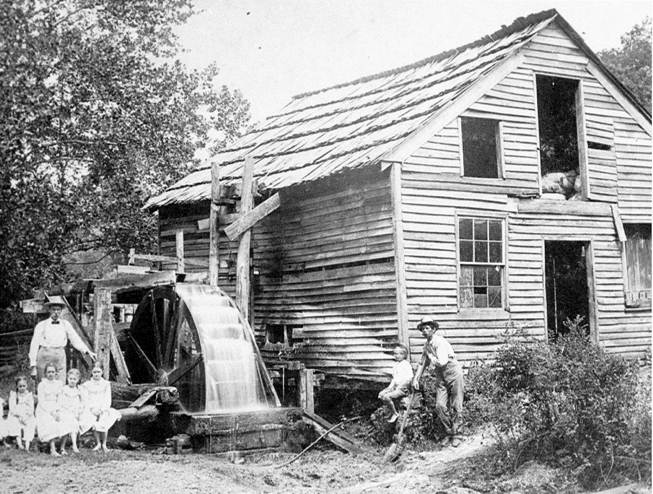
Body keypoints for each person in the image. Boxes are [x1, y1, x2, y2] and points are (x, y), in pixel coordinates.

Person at [412, 316, 465, 447]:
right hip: (441, 376)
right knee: (440, 405)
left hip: (452, 372)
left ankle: (457, 434)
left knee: (456, 404)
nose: (424, 331)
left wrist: (430, 356)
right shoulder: (427, 345)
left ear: (434, 329)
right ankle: (448, 433)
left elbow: (442, 362)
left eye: (427, 328)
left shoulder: (440, 342)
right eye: (422, 329)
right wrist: (416, 378)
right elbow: (422, 363)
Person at [29, 299, 97, 383]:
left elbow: (75, 339)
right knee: (43, 384)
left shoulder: (66, 324)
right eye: (54, 309)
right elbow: (34, 345)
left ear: (61, 311)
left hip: (59, 357)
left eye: (58, 310)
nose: (56, 312)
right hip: (44, 356)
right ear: (49, 310)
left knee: (60, 384)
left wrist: (87, 351)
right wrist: (33, 365)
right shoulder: (41, 325)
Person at [81, 363, 121, 452]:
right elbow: (85, 399)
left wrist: (102, 409)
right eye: (94, 372)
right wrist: (92, 409)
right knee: (93, 420)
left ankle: (104, 444)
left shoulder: (106, 384)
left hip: (103, 407)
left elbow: (107, 399)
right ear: (91, 372)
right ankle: (98, 443)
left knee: (105, 419)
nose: (96, 374)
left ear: (102, 372)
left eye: (98, 372)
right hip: (91, 408)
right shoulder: (87, 385)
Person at [378, 344, 413, 423]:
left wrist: (400, 386)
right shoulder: (396, 365)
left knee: (387, 397)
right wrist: (389, 387)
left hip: (403, 388)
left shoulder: (406, 364)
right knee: (381, 394)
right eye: (396, 354)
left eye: (400, 354)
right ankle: (391, 409)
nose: (397, 356)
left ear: (404, 355)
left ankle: (395, 413)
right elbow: (394, 379)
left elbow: (409, 378)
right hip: (396, 387)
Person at [36, 362, 64, 456]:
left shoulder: (59, 384)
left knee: (65, 417)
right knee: (49, 420)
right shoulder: (42, 385)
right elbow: (42, 401)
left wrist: (57, 410)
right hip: (44, 409)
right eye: (49, 372)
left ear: (56, 373)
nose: (51, 374)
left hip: (56, 407)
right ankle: (53, 449)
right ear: (45, 373)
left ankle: (63, 448)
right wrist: (52, 412)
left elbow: (60, 399)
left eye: (52, 372)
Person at [57, 368, 87, 454]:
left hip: (74, 412)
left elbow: (81, 403)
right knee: (67, 423)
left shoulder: (78, 391)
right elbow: (60, 402)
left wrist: (78, 411)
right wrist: (61, 411)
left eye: (74, 379)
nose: (72, 381)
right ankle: (62, 447)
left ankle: (74, 445)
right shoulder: (64, 389)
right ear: (67, 379)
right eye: (70, 379)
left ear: (78, 380)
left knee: (74, 423)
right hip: (64, 411)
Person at [6, 375, 36, 450]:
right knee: (14, 422)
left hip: (26, 414)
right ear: (17, 386)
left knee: (30, 422)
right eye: (20, 386)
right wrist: (19, 416)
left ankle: (27, 444)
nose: (22, 388)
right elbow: (12, 408)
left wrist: (26, 417)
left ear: (26, 386)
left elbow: (31, 408)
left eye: (24, 386)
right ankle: (19, 443)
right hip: (16, 414)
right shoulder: (14, 395)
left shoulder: (29, 395)